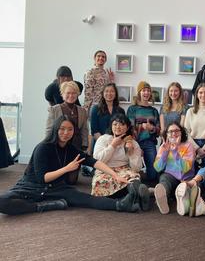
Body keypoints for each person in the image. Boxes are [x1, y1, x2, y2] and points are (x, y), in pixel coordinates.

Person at [0, 116, 141, 216]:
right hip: (31, 186)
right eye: (62, 129)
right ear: (56, 129)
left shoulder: (70, 148)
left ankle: (121, 205)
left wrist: (116, 175)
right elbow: (43, 178)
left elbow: (94, 162)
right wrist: (67, 168)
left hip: (56, 188)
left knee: (85, 199)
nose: (66, 133)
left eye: (70, 129)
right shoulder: (42, 147)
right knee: (3, 202)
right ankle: (42, 206)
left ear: (74, 132)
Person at [91, 113, 150, 211]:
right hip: (105, 169)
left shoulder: (133, 142)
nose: (118, 127)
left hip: (124, 169)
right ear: (111, 126)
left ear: (127, 128)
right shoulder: (103, 139)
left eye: (122, 124)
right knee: (100, 182)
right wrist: (112, 145)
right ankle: (135, 197)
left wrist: (131, 153)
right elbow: (98, 160)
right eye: (115, 124)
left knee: (133, 178)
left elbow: (137, 168)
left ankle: (138, 196)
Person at [46, 81, 88, 184]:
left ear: (77, 94)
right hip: (59, 143)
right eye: (68, 93)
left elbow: (84, 129)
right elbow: (49, 129)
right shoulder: (54, 109)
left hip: (76, 144)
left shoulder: (82, 110)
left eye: (74, 93)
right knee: (59, 178)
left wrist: (85, 145)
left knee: (72, 181)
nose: (71, 95)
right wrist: (48, 144)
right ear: (62, 94)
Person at [153, 122, 195, 215]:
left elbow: (185, 168)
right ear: (166, 134)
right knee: (164, 180)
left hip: (186, 180)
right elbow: (158, 168)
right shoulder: (163, 147)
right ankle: (163, 196)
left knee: (185, 191)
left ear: (182, 132)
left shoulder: (189, 146)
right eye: (171, 131)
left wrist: (175, 152)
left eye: (177, 131)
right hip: (170, 177)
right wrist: (165, 153)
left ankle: (178, 201)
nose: (174, 133)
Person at [127, 81, 160, 184]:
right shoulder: (132, 109)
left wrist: (151, 128)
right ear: (139, 93)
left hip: (150, 143)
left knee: (153, 173)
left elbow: (158, 130)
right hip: (135, 142)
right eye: (144, 90)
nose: (146, 93)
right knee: (134, 169)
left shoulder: (154, 111)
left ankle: (149, 189)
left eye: (148, 91)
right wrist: (142, 126)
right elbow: (129, 128)